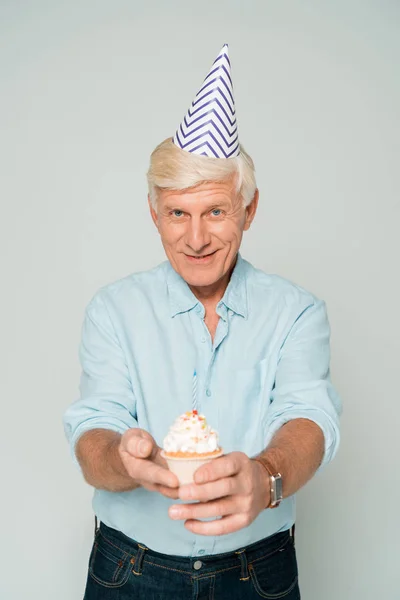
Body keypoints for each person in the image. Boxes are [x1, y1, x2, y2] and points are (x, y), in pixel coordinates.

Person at [63, 44, 341, 600]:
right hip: (130, 571)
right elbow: (93, 430)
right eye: (177, 214)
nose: (195, 239)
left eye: (214, 211)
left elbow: (308, 417)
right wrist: (126, 460)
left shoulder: (298, 311)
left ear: (249, 209)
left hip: (257, 574)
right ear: (154, 214)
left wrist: (266, 477)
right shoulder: (113, 310)